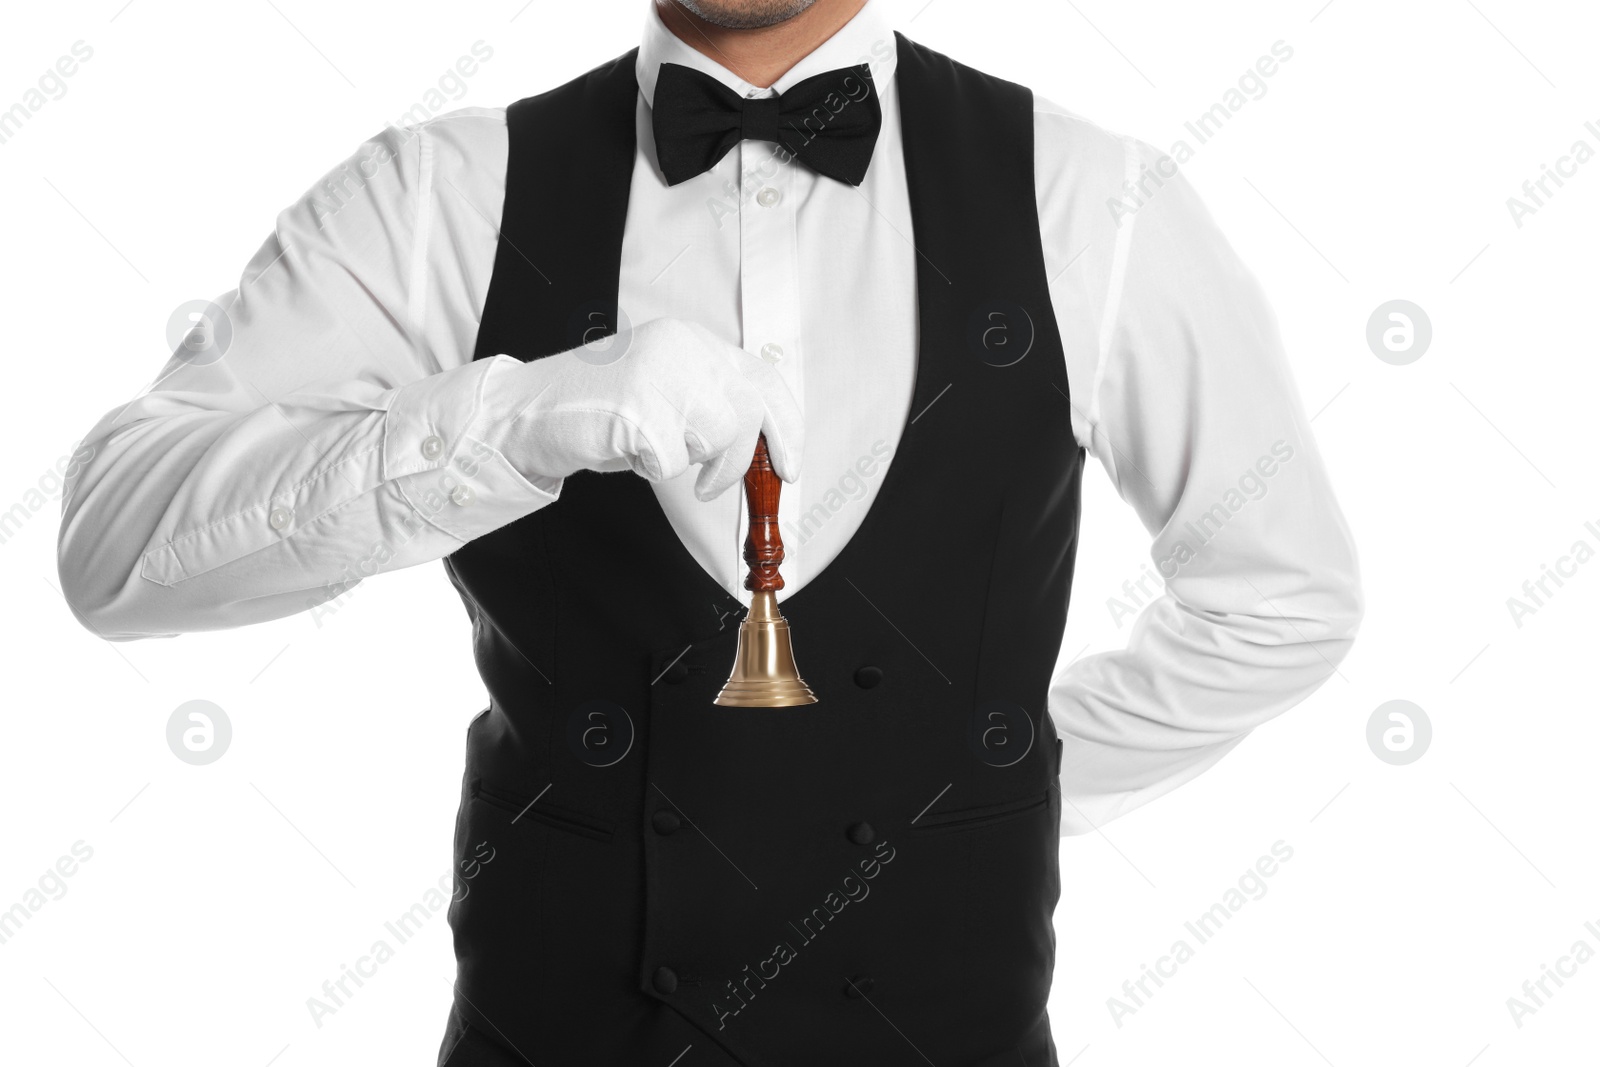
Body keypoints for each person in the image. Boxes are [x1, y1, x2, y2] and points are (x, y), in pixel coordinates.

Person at [57, 1, 1363, 1063]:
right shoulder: (441, 197)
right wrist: (514, 425)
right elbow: (119, 548)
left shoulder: (1093, 200)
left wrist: (986, 785)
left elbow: (1281, 597)